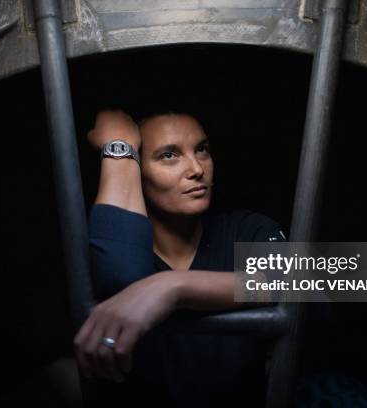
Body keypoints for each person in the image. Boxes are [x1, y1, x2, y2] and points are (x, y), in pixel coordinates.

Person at [73, 110, 287, 407]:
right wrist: (119, 149)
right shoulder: (107, 246)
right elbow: (120, 276)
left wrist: (173, 287)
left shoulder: (245, 230)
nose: (197, 168)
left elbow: (348, 276)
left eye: (202, 149)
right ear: (137, 170)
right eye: (168, 155)